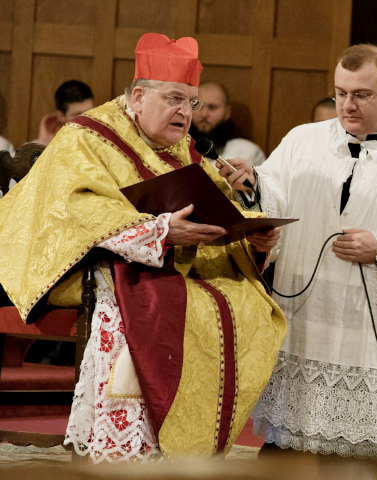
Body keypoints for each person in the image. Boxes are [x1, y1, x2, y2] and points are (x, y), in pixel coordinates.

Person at [0, 33, 286, 462]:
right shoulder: (87, 136)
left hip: (171, 263)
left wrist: (252, 235)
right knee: (157, 302)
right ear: (137, 97)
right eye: (174, 98)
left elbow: (214, 211)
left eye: (191, 102)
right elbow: (76, 209)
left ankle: (193, 454)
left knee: (244, 305)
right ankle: (133, 450)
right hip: (96, 262)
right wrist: (159, 232)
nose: (186, 113)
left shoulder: (185, 149)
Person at [218, 44, 377, 457]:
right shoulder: (302, 140)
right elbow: (274, 197)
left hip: (372, 345)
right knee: (289, 451)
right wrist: (253, 189)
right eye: (340, 93)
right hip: (307, 326)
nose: (346, 105)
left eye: (361, 94)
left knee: (370, 458)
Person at [190, 81, 266, 167]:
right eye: (198, 106)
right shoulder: (174, 148)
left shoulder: (248, 153)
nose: (204, 114)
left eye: (212, 107)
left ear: (227, 112)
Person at [35, 80, 95, 145]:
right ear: (61, 116)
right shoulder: (34, 149)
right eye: (79, 115)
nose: (87, 121)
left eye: (90, 112)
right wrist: (46, 144)